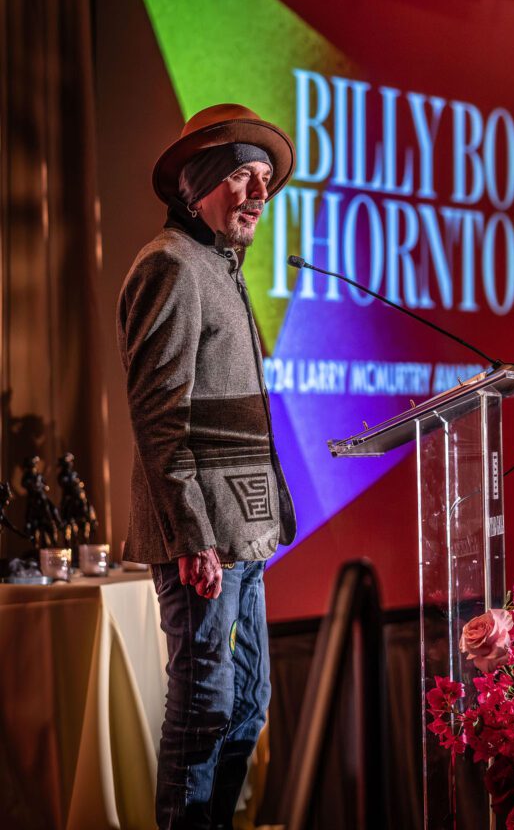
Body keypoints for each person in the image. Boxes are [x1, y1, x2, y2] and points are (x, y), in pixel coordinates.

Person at [116, 103, 297, 829]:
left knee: (247, 707)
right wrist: (192, 535)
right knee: (204, 707)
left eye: (263, 179)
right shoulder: (170, 263)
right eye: (242, 178)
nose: (258, 193)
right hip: (205, 539)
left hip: (245, 533)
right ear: (198, 184)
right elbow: (159, 417)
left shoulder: (220, 266)